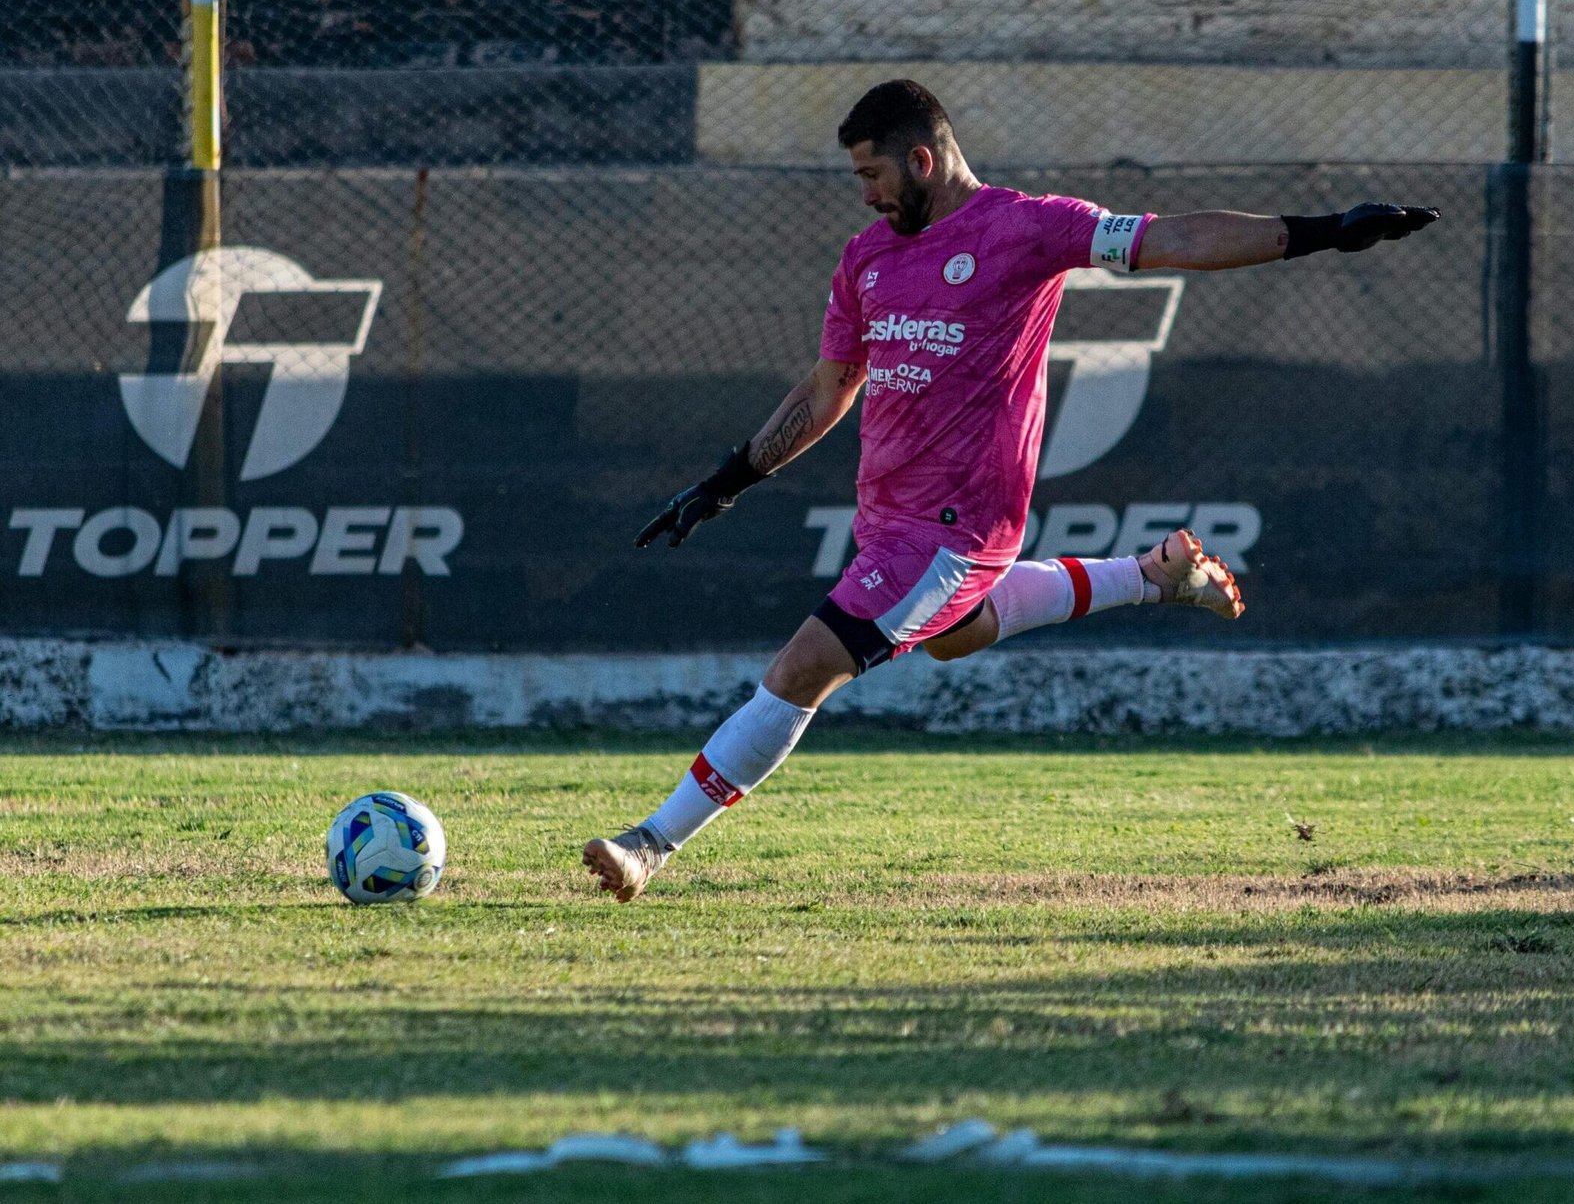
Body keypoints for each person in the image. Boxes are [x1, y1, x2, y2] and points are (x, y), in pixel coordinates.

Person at [584, 79, 1438, 902]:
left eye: (871, 176)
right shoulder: (867, 257)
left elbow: (1174, 237)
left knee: (806, 665)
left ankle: (651, 843)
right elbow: (827, 389)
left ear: (921, 159)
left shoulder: (1028, 229)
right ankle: (1150, 576)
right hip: (888, 524)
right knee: (959, 635)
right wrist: (728, 479)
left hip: (959, 529)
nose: (865, 197)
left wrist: (1324, 231)